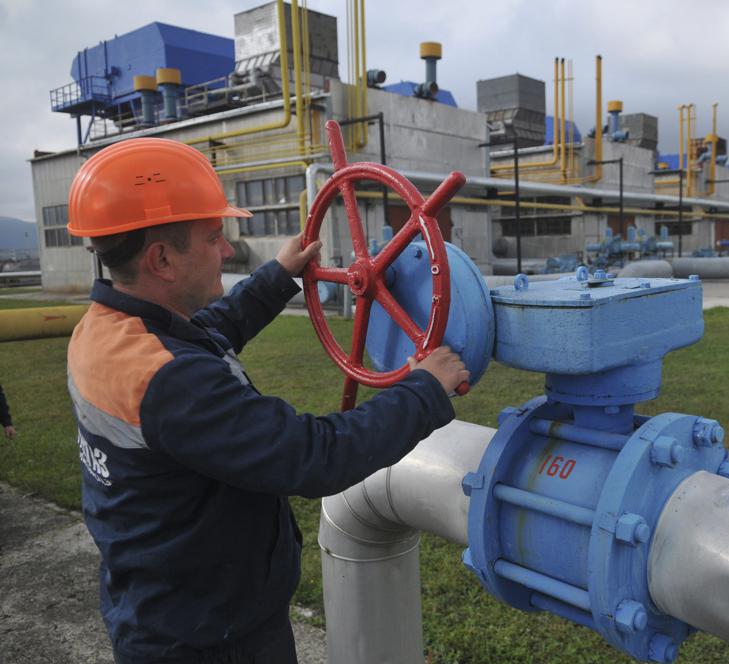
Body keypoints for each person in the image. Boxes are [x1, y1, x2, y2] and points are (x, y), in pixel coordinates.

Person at [65, 137, 469, 664]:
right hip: (212, 639)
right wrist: (423, 392)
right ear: (161, 259)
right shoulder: (169, 382)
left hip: (161, 605)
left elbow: (210, 332)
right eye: (214, 237)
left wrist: (278, 277)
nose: (228, 251)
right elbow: (312, 455)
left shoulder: (108, 333)